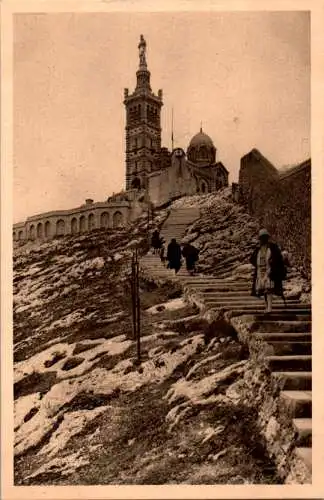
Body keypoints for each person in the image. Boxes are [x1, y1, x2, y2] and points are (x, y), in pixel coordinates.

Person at [250, 229, 287, 313]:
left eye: (264, 237)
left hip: (269, 270)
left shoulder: (273, 247)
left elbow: (278, 258)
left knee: (268, 289)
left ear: (267, 238)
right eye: (262, 238)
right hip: (260, 271)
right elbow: (252, 259)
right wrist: (257, 265)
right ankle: (266, 307)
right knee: (263, 290)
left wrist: (273, 264)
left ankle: (269, 307)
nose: (263, 239)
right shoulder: (258, 249)